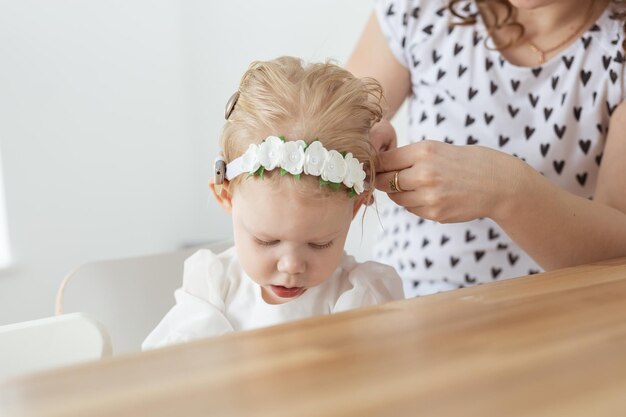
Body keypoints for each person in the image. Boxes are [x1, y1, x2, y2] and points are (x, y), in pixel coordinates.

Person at [346, 0, 626, 297]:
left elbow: (617, 255)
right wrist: (356, 137)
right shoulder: (420, 9)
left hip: (559, 313)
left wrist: (507, 191)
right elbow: (326, 124)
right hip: (405, 299)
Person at [143, 57, 404, 349]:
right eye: (266, 241)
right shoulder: (214, 287)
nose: (291, 265)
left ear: (354, 210)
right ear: (226, 196)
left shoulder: (357, 296)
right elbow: (174, 367)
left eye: (319, 244)